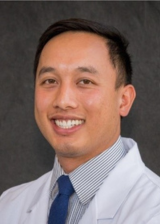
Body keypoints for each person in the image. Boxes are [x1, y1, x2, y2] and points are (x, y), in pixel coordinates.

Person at [0, 18, 160, 224]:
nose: (63, 101)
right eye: (50, 81)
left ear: (124, 100)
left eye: (85, 81)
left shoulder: (153, 210)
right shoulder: (7, 206)